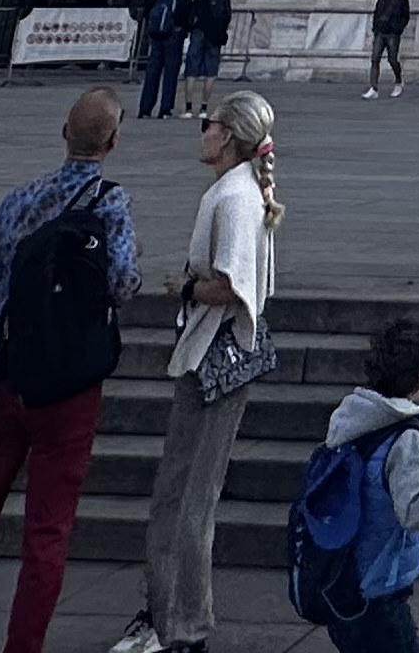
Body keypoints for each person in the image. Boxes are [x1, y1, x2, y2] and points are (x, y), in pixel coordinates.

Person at [0, 88, 135, 653]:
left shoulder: (19, 200)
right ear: (113, 141)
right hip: (69, 390)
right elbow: (123, 283)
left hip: (9, 381)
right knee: (47, 533)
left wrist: (9, 348)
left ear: (64, 132)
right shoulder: (109, 204)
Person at [111, 89, 281, 653]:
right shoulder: (242, 190)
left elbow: (233, 288)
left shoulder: (233, 197)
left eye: (205, 123)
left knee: (183, 497)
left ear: (227, 135)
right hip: (216, 353)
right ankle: (173, 614)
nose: (200, 130)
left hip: (213, 356)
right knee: (186, 494)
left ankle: (176, 624)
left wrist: (183, 287)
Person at [313, 312, 419, 653]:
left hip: (341, 582)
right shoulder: (404, 437)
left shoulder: (350, 418)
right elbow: (412, 512)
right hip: (379, 588)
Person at [138, 0, 193, 124]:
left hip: (156, 38)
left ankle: (145, 108)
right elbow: (185, 19)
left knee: (152, 72)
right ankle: (165, 109)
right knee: (170, 74)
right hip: (173, 39)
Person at [179, 0, 234, 120]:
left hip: (199, 34)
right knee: (210, 73)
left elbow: (191, 16)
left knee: (191, 71)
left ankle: (189, 108)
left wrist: (192, 28)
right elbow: (227, 15)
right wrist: (220, 29)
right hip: (214, 36)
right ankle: (204, 108)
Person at [369, 0, 414, 100]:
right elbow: (377, 11)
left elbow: (406, 15)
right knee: (375, 58)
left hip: (393, 33)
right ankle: (374, 88)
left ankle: (398, 81)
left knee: (392, 59)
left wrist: (398, 29)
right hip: (380, 31)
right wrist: (375, 27)